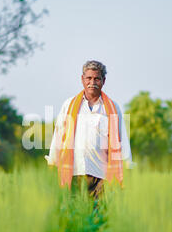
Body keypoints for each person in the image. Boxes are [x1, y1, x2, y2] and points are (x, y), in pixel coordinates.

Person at [45, 60, 134, 202]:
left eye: (97, 78)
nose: (92, 82)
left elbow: (122, 140)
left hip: (101, 177)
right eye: (89, 78)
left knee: (99, 217)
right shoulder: (69, 105)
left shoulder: (112, 108)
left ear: (103, 81)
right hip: (73, 173)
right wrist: (52, 163)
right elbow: (58, 136)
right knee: (74, 216)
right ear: (82, 79)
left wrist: (127, 167)